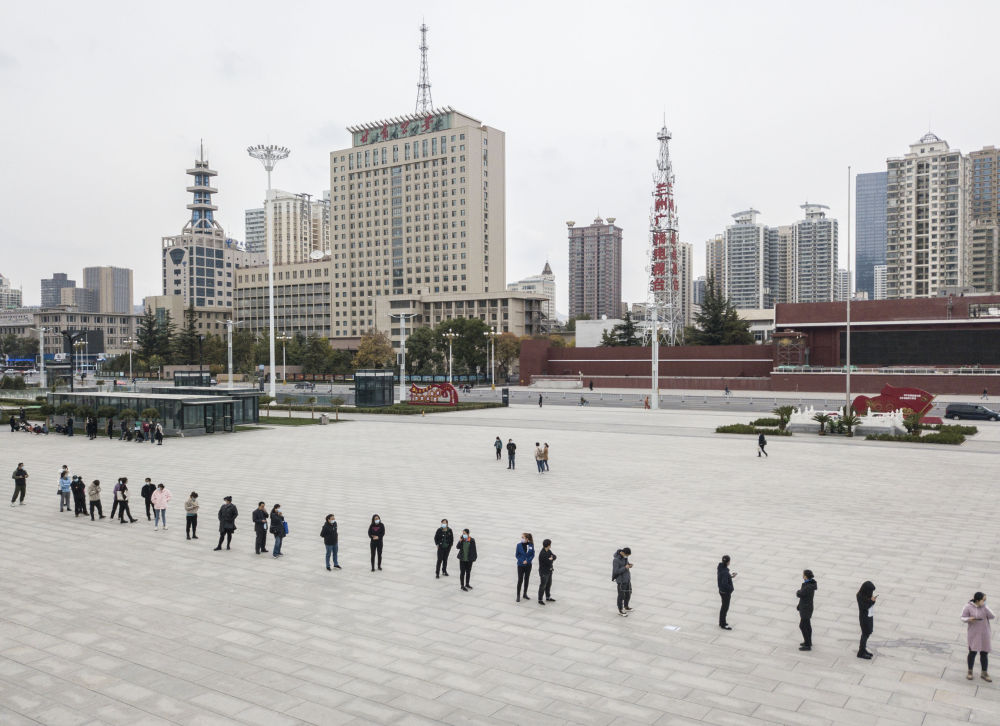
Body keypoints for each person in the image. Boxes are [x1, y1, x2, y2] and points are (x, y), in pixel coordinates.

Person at [962, 592, 995, 682]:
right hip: (974, 633)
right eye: (983, 600)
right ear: (977, 600)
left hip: (985, 633)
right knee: (972, 652)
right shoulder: (968, 607)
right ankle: (970, 671)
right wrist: (969, 619)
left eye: (985, 600)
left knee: (984, 653)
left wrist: (985, 607)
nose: (984, 601)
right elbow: (963, 617)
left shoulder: (985, 607)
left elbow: (992, 616)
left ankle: (984, 672)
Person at [796, 570, 818, 651]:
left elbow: (800, 594)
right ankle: (808, 641)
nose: (802, 576)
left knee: (802, 626)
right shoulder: (809, 584)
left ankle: (807, 645)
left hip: (806, 608)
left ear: (806, 576)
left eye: (803, 575)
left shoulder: (808, 586)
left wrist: (798, 591)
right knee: (807, 625)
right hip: (806, 607)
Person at [857, 581, 877, 659]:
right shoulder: (859, 596)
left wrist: (872, 600)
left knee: (868, 632)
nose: (871, 593)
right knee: (865, 634)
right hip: (864, 618)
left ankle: (863, 649)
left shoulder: (867, 594)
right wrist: (872, 601)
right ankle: (861, 651)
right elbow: (865, 607)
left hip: (869, 616)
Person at [612, 548, 633, 616]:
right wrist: (625, 567)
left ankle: (626, 606)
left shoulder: (625, 558)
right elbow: (616, 571)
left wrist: (629, 565)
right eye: (627, 555)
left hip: (627, 579)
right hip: (621, 581)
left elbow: (626, 565)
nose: (627, 557)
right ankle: (620, 610)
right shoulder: (616, 560)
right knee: (621, 596)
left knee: (628, 593)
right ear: (623, 553)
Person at [718, 555, 736, 629]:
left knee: (723, 607)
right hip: (725, 593)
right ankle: (723, 624)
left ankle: (721, 622)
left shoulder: (720, 568)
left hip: (721, 591)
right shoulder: (725, 572)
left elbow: (723, 578)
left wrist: (730, 576)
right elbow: (724, 583)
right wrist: (731, 589)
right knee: (725, 608)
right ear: (728, 562)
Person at [516, 533, 535, 602]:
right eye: (521, 537)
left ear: (527, 539)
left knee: (526, 579)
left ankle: (525, 594)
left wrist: (528, 560)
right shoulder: (518, 545)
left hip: (528, 565)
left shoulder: (531, 545)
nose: (522, 538)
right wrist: (522, 561)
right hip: (520, 565)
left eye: (523, 537)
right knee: (520, 580)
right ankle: (518, 595)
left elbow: (533, 554)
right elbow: (517, 555)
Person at [537, 539, 556, 605]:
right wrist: (551, 559)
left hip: (549, 571)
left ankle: (548, 597)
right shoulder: (543, 553)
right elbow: (548, 562)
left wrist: (552, 558)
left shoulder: (548, 551)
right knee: (543, 585)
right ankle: (540, 599)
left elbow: (554, 556)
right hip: (544, 572)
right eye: (550, 544)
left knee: (548, 584)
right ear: (548, 545)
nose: (550, 545)